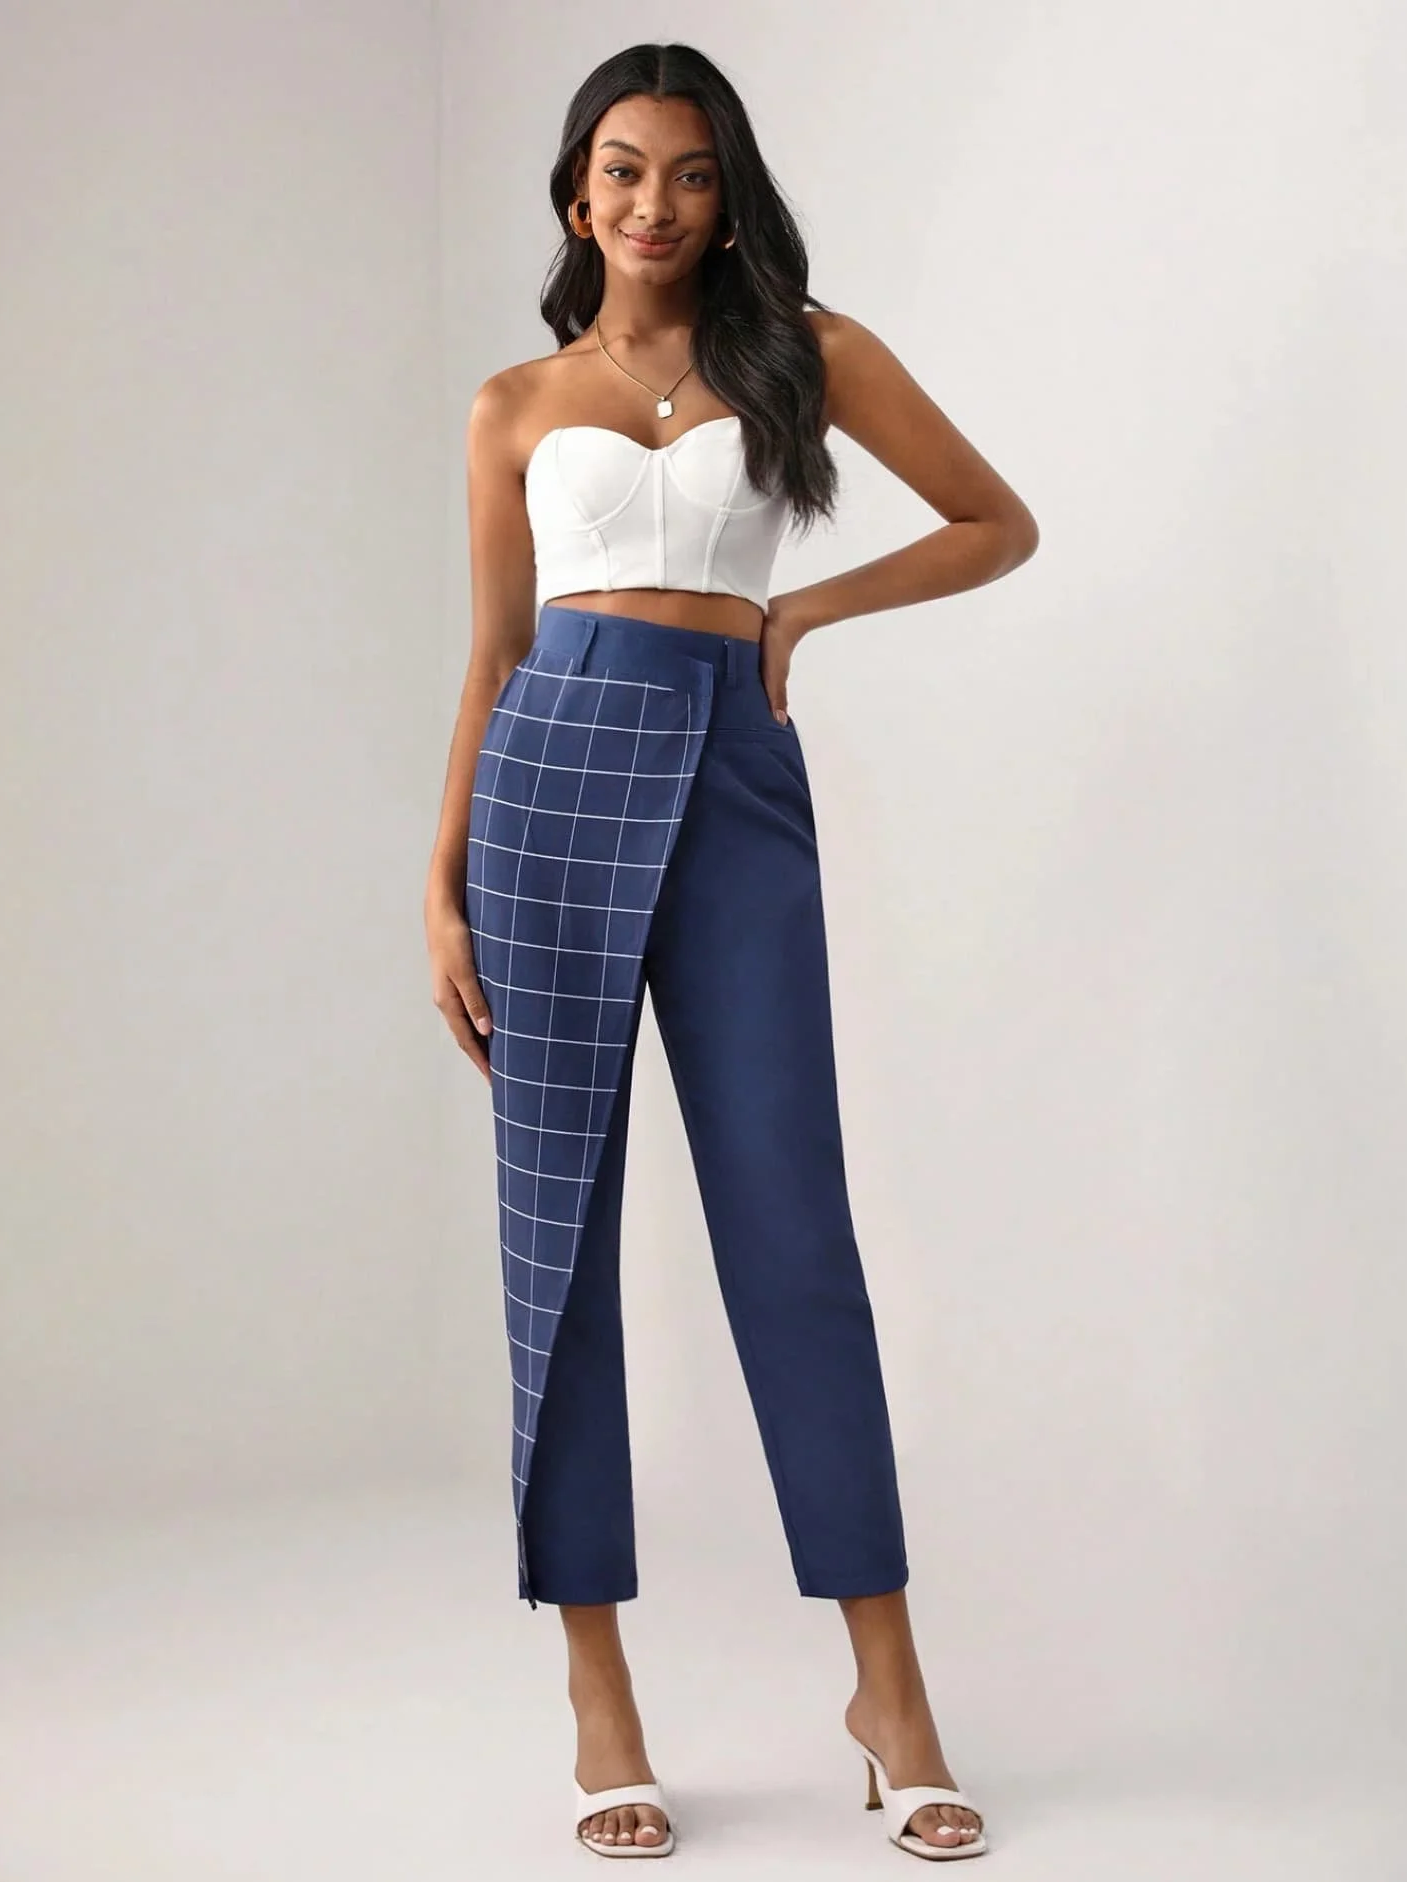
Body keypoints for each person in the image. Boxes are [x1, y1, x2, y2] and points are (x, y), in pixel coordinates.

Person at [423, 41, 1038, 1865]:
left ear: (727, 187)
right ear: (573, 192)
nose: (653, 205)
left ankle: (889, 1693)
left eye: (688, 173)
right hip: (544, 795)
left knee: (793, 1230)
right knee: (563, 1237)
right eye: (620, 172)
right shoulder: (513, 403)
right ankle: (600, 1696)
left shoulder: (809, 352)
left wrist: (803, 611)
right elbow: (492, 659)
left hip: (731, 775)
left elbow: (995, 521)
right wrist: (440, 883)